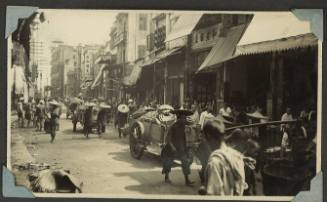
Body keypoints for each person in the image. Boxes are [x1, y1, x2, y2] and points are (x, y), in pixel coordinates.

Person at [199, 119, 248, 195]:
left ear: (208, 136)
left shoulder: (215, 162)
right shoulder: (237, 156)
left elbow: (214, 194)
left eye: (203, 137)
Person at [161, 108, 194, 186]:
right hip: (171, 148)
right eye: (183, 118)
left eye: (185, 118)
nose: (185, 120)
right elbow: (168, 139)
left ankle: (187, 180)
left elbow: (188, 135)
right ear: (179, 119)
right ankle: (167, 177)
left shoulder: (184, 127)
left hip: (181, 148)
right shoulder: (173, 126)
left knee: (185, 162)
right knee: (168, 163)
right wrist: (172, 147)